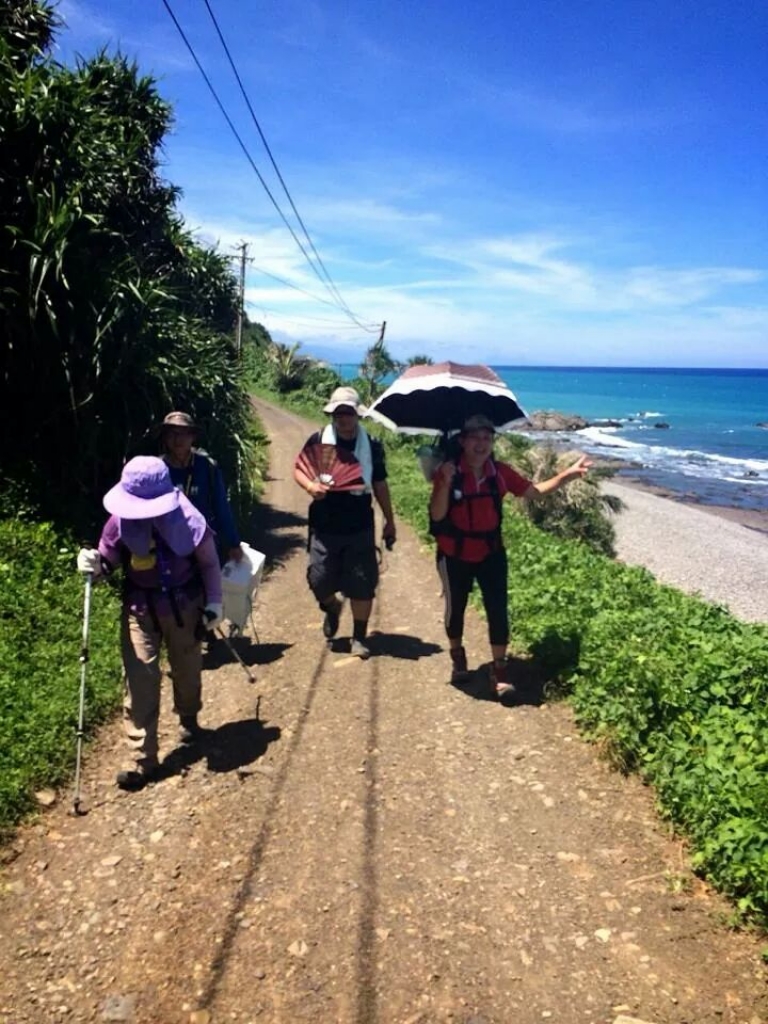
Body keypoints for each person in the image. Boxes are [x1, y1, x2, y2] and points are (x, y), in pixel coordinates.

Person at [77, 456, 224, 790]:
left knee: (187, 669)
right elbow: (109, 557)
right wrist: (94, 564)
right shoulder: (120, 520)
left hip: (184, 606)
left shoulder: (189, 519)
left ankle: (189, 717)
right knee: (140, 676)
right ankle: (142, 760)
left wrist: (214, 603)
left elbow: (210, 564)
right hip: (139, 607)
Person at [429, 413, 591, 699]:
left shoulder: (500, 473)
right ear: (463, 442)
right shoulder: (449, 472)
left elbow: (536, 492)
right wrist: (442, 483)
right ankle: (457, 656)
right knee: (455, 611)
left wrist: (568, 474)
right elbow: (437, 514)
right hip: (454, 553)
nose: (481, 444)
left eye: (487, 438)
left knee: (498, 611)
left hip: (491, 553)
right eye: (475, 437)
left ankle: (500, 671)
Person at [293, 385, 396, 659]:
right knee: (319, 579)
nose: (344, 418)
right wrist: (310, 487)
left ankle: (359, 637)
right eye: (339, 413)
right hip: (325, 525)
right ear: (333, 415)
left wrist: (389, 520)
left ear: (357, 415)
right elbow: (300, 469)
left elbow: (380, 483)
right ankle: (331, 607)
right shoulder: (318, 440)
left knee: (363, 583)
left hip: (359, 524)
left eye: (348, 413)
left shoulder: (371, 447)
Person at [159, 410, 243, 564]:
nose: (178, 439)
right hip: (169, 548)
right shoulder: (157, 470)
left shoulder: (207, 467)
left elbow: (221, 506)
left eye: (184, 433)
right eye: (172, 433)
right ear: (165, 437)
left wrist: (233, 543)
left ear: (193, 436)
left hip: (205, 545)